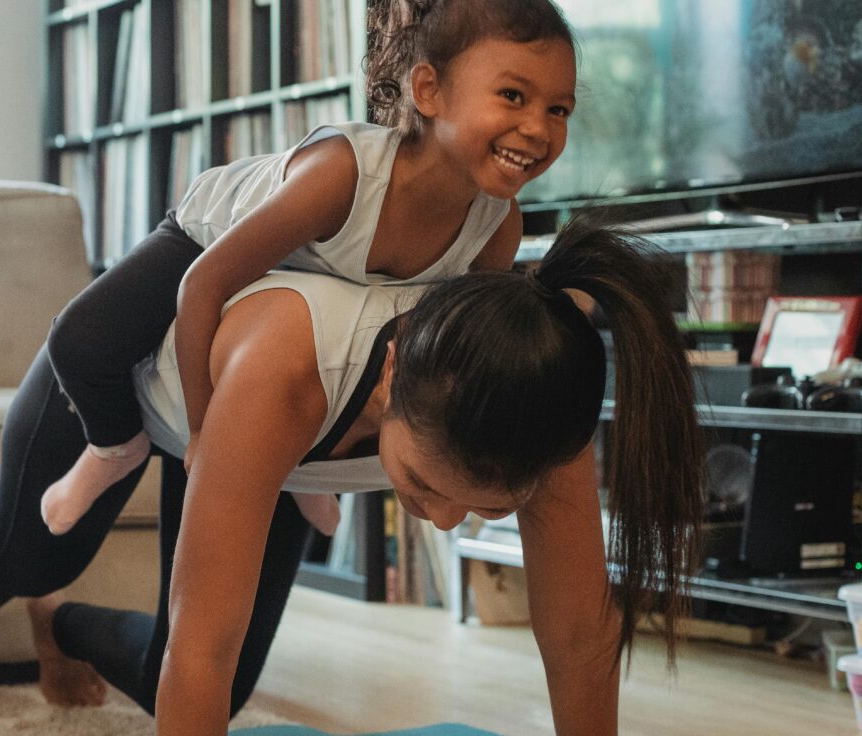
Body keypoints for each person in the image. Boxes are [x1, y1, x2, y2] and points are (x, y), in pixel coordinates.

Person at [0, 215, 705, 736]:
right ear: (391, 377)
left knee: (197, 692)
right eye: (426, 485)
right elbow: (202, 637)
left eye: (490, 506)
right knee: (30, 557)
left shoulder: (537, 401)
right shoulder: (291, 370)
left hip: (258, 450)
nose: (453, 520)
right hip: (119, 391)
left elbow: (577, 637)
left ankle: (62, 628)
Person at [38, 0, 580, 538]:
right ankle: (113, 447)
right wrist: (203, 433)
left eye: (559, 110)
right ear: (429, 91)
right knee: (76, 340)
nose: (538, 129)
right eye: (513, 96)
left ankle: (306, 479)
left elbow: (445, 348)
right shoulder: (343, 175)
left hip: (325, 297)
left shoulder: (497, 224)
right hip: (205, 237)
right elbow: (204, 283)